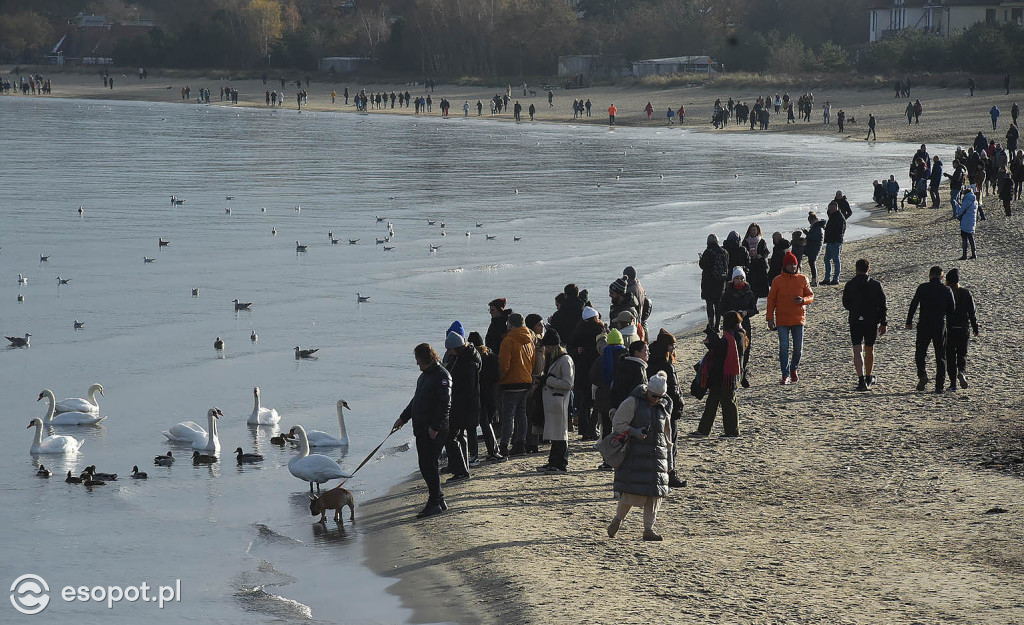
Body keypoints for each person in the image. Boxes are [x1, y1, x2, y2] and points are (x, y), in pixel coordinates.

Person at [606, 371, 673, 541]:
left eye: (660, 397)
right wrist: (635, 432)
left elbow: (668, 436)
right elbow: (618, 424)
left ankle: (648, 529)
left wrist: (670, 460)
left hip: (657, 457)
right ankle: (618, 520)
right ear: (647, 391)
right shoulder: (632, 402)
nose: (656, 399)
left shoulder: (662, 407)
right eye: (654, 396)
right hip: (634, 454)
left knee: (654, 495)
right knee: (630, 491)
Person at [392, 343, 452, 518]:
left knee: (428, 465)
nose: (417, 363)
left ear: (424, 358)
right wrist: (403, 418)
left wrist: (435, 427)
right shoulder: (424, 376)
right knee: (426, 465)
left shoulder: (442, 375)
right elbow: (416, 400)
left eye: (417, 359)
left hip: (433, 429)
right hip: (421, 428)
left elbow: (445, 404)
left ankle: (434, 502)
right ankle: (438, 499)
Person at [692, 311, 746, 437]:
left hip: (725, 375)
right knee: (715, 402)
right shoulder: (738, 334)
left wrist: (712, 340)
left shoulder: (734, 336)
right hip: (727, 375)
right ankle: (705, 430)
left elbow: (720, 351)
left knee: (726, 403)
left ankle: (730, 431)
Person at [765, 252, 813, 385]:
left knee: (798, 348)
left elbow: (811, 296)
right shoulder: (777, 280)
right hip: (782, 320)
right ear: (784, 266)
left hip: (798, 319)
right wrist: (769, 318)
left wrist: (803, 300)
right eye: (790, 264)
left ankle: (794, 369)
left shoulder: (803, 279)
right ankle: (785, 374)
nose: (792, 267)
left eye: (794, 264)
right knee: (784, 347)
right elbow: (771, 300)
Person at [906, 266, 955, 393]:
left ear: (929, 275)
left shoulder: (922, 287)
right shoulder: (946, 289)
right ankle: (939, 386)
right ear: (941, 276)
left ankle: (922, 375)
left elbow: (914, 304)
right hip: (939, 323)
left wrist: (909, 321)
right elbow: (952, 308)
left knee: (920, 352)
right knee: (940, 355)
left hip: (924, 323)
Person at [646, 330, 685, 487]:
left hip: (651, 406)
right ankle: (671, 474)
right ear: (667, 346)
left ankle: (655, 473)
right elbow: (674, 390)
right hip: (668, 408)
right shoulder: (666, 365)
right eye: (673, 345)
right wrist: (679, 406)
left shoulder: (649, 360)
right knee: (670, 443)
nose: (674, 349)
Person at [842, 259, 887, 391]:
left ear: (856, 269)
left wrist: (855, 309)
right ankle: (868, 376)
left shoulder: (850, 284)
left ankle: (861, 379)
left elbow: (845, 303)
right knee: (869, 348)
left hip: (856, 319)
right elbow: (882, 305)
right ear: (868, 269)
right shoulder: (875, 284)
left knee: (857, 349)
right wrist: (883, 322)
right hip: (871, 319)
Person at [535, 330, 574, 473]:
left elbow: (568, 383)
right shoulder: (555, 359)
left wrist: (549, 380)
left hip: (560, 400)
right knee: (556, 433)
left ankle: (560, 463)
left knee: (560, 434)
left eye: (548, 347)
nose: (546, 350)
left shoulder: (565, 360)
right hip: (553, 401)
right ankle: (553, 461)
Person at [498, 313, 535, 456]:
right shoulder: (529, 339)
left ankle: (504, 445)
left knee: (508, 416)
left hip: (511, 382)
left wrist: (500, 378)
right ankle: (520, 443)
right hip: (525, 380)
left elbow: (504, 364)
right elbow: (532, 361)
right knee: (521, 414)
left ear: (510, 325)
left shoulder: (509, 340)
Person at [568, 306, 604, 440]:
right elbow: (600, 349)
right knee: (596, 401)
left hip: (581, 369)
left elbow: (571, 348)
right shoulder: (599, 329)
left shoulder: (578, 331)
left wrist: (577, 351)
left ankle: (584, 430)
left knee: (584, 401)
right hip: (595, 369)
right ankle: (592, 429)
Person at [719, 267, 757, 387]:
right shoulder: (727, 293)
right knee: (730, 350)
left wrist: (746, 312)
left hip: (744, 325)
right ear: (733, 280)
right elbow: (721, 309)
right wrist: (731, 315)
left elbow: (754, 309)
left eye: (741, 278)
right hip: (730, 325)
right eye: (737, 278)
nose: (739, 280)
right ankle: (731, 375)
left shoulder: (749, 293)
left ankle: (743, 374)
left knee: (745, 349)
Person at [467, 331, 502, 461]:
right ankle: (493, 451)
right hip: (490, 394)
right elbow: (497, 377)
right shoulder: (492, 357)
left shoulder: (472, 358)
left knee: (472, 426)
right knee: (486, 423)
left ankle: (473, 455)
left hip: (477, 394)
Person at [944, 268, 979, 392]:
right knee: (962, 353)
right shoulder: (966, 293)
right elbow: (972, 312)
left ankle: (953, 384)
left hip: (949, 329)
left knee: (950, 357)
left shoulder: (946, 292)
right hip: (963, 328)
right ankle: (962, 372)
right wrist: (975, 327)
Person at [610, 340, 649, 416]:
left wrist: (614, 406)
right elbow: (639, 391)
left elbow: (615, 387)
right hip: (633, 408)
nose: (648, 353)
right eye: (646, 351)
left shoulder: (622, 363)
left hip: (619, 405)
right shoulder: (639, 368)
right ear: (636, 352)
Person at [699, 234, 729, 330]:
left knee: (709, 304)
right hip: (720, 282)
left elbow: (703, 265)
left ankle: (711, 324)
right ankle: (717, 325)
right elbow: (727, 264)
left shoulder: (707, 252)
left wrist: (701, 259)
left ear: (708, 242)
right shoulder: (724, 252)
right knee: (718, 304)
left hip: (709, 282)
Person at [743, 223, 771, 297]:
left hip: (760, 267)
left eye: (754, 230)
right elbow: (742, 253)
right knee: (751, 288)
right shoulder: (745, 241)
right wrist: (748, 254)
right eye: (751, 230)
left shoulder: (761, 241)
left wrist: (761, 255)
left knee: (760, 289)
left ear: (758, 231)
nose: (753, 232)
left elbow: (766, 252)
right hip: (750, 267)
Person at [822, 201, 847, 285]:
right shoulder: (833, 216)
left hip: (835, 241)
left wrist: (833, 235)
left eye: (830, 209)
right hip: (830, 241)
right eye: (829, 209)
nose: (829, 210)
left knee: (836, 260)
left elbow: (840, 230)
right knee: (827, 259)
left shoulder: (839, 217)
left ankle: (836, 279)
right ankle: (827, 278)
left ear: (835, 207)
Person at [952, 185, 978, 259]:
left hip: (966, 221)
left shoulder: (966, 200)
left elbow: (960, 212)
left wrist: (957, 206)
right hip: (972, 221)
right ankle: (974, 253)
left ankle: (964, 255)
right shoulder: (974, 200)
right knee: (971, 238)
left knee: (964, 239)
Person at [804, 211, 826, 286]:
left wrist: (807, 234)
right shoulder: (817, 225)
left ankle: (814, 280)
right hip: (815, 246)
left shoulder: (817, 226)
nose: (809, 222)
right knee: (812, 262)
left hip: (815, 247)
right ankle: (814, 280)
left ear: (812, 219)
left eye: (809, 221)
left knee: (812, 262)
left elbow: (813, 237)